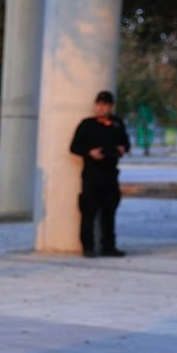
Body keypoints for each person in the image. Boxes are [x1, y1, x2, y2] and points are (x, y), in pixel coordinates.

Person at [70, 90, 130, 257]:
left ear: (111, 107)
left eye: (104, 105)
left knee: (109, 212)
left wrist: (122, 148)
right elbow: (74, 147)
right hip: (92, 175)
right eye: (98, 104)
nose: (100, 108)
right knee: (88, 212)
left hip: (110, 174)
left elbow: (126, 142)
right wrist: (90, 152)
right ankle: (88, 247)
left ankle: (109, 247)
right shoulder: (87, 125)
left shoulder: (117, 124)